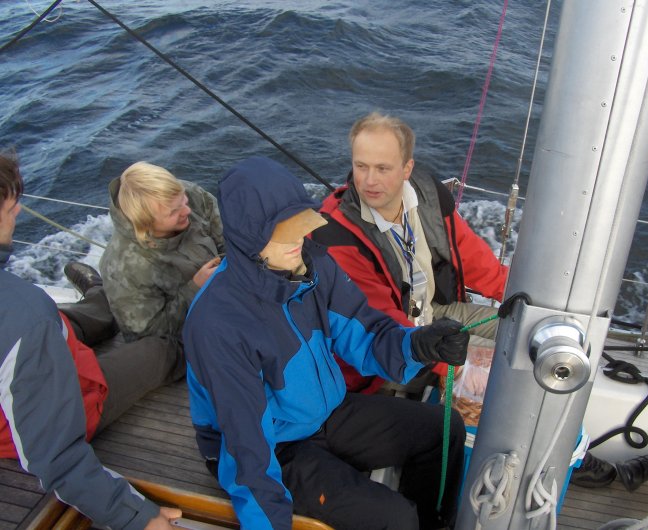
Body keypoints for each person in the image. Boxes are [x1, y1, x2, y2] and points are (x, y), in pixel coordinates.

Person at [183, 156, 469, 530]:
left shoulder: (313, 266)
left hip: (323, 412)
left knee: (444, 431)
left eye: (299, 224)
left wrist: (418, 346)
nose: (297, 239)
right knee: (395, 518)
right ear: (246, 237)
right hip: (275, 446)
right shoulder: (218, 324)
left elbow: (364, 332)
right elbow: (244, 443)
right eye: (281, 231)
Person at [0, 151, 181, 529]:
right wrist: (140, 518)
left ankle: (101, 295)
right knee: (160, 350)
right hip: (63, 398)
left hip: (37, 340)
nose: (17, 212)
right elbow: (56, 455)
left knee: (78, 317)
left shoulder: (22, 311)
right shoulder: (25, 316)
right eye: (10, 206)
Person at [311, 111, 509, 394]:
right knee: (501, 372)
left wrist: (519, 295)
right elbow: (381, 321)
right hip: (392, 348)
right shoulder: (336, 237)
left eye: (383, 168)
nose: (369, 181)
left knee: (519, 331)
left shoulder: (428, 195)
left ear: (407, 169)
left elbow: (474, 259)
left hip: (432, 312)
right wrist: (458, 370)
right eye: (361, 166)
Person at [61, 161, 224, 381]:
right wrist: (194, 289)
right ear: (145, 224)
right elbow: (149, 335)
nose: (187, 210)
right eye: (174, 212)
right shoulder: (124, 267)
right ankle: (99, 295)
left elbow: (227, 235)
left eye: (183, 201)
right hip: (188, 329)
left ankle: (98, 293)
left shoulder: (184, 196)